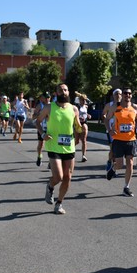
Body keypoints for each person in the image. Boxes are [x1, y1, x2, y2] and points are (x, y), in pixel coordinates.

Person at [35, 83, 83, 215]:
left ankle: (59, 203)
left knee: (68, 178)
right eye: (61, 90)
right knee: (58, 177)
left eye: (66, 90)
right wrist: (43, 134)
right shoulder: (49, 108)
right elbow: (37, 122)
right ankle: (50, 186)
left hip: (69, 147)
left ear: (69, 92)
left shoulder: (74, 109)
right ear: (56, 93)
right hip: (54, 145)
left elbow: (77, 127)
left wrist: (81, 126)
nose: (64, 92)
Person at [105, 87, 137, 197]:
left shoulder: (135, 107)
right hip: (118, 140)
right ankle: (113, 168)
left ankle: (126, 187)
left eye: (129, 93)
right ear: (122, 95)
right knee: (119, 165)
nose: (128, 95)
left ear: (131, 96)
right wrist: (109, 130)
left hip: (131, 140)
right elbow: (107, 119)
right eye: (125, 93)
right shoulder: (116, 107)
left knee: (130, 163)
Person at [101, 89, 122, 171]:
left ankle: (111, 163)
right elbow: (103, 114)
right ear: (113, 95)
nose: (118, 95)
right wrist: (106, 118)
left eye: (120, 94)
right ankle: (111, 164)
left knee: (116, 150)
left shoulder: (123, 105)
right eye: (116, 94)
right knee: (113, 149)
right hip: (110, 130)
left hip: (120, 131)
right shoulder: (109, 105)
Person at [33, 92, 51, 166]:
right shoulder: (39, 106)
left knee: (51, 145)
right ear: (42, 98)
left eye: (48, 97)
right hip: (41, 127)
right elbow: (33, 117)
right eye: (46, 97)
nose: (47, 99)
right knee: (41, 144)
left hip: (50, 127)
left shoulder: (52, 106)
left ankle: (51, 161)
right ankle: (39, 156)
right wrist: (40, 114)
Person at [75, 92, 92, 162]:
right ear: (80, 100)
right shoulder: (76, 107)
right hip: (77, 124)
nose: (84, 101)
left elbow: (85, 113)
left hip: (84, 123)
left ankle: (83, 156)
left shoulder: (86, 107)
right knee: (76, 141)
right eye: (83, 100)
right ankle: (69, 152)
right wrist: (78, 118)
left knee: (84, 140)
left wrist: (88, 115)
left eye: (85, 100)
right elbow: (74, 115)